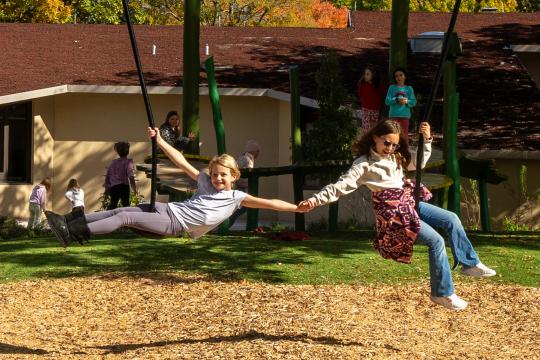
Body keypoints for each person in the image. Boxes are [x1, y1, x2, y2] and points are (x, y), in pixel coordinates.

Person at [298, 120, 496, 311]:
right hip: (394, 214)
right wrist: (314, 201)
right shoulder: (364, 165)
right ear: (375, 137)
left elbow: (417, 163)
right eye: (386, 143)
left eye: (395, 144)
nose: (390, 148)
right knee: (436, 241)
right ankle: (441, 293)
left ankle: (469, 264)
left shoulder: (396, 157)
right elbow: (339, 187)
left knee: (451, 218)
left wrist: (426, 141)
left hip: (408, 202)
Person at [45, 127, 304, 246]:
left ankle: (74, 234)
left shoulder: (237, 197)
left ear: (234, 175)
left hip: (174, 225)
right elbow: (180, 161)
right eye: (214, 175)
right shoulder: (204, 181)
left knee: (124, 215)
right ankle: (69, 222)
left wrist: (295, 208)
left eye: (223, 175)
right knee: (115, 212)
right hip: (166, 209)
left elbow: (271, 203)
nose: (217, 179)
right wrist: (159, 141)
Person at [228, 140, 261, 229]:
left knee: (240, 207)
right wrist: (248, 184)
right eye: (258, 151)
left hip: (239, 186)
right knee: (242, 208)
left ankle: (227, 224)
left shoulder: (244, 158)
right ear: (254, 151)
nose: (258, 154)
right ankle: (226, 225)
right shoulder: (247, 159)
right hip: (240, 186)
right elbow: (247, 174)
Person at [385, 67, 416, 142]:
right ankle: (392, 152)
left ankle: (404, 152)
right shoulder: (392, 87)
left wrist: (406, 101)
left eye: (400, 75)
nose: (398, 77)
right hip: (393, 116)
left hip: (405, 116)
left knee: (404, 136)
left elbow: (413, 102)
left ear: (405, 76)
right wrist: (395, 99)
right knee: (392, 135)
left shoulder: (409, 88)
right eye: (396, 76)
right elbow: (387, 101)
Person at [104, 141, 138, 210]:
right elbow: (131, 176)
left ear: (118, 152)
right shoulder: (128, 162)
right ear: (128, 151)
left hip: (113, 187)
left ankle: (109, 217)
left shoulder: (113, 162)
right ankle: (126, 219)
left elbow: (108, 176)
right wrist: (134, 188)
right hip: (123, 186)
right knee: (126, 205)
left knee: (113, 205)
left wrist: (107, 188)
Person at [356, 65, 386, 132]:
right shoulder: (362, 85)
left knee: (374, 129)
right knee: (366, 129)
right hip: (365, 110)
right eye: (365, 74)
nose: (365, 76)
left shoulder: (379, 86)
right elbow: (360, 95)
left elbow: (382, 94)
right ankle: (366, 141)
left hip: (375, 111)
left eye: (367, 74)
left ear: (373, 75)